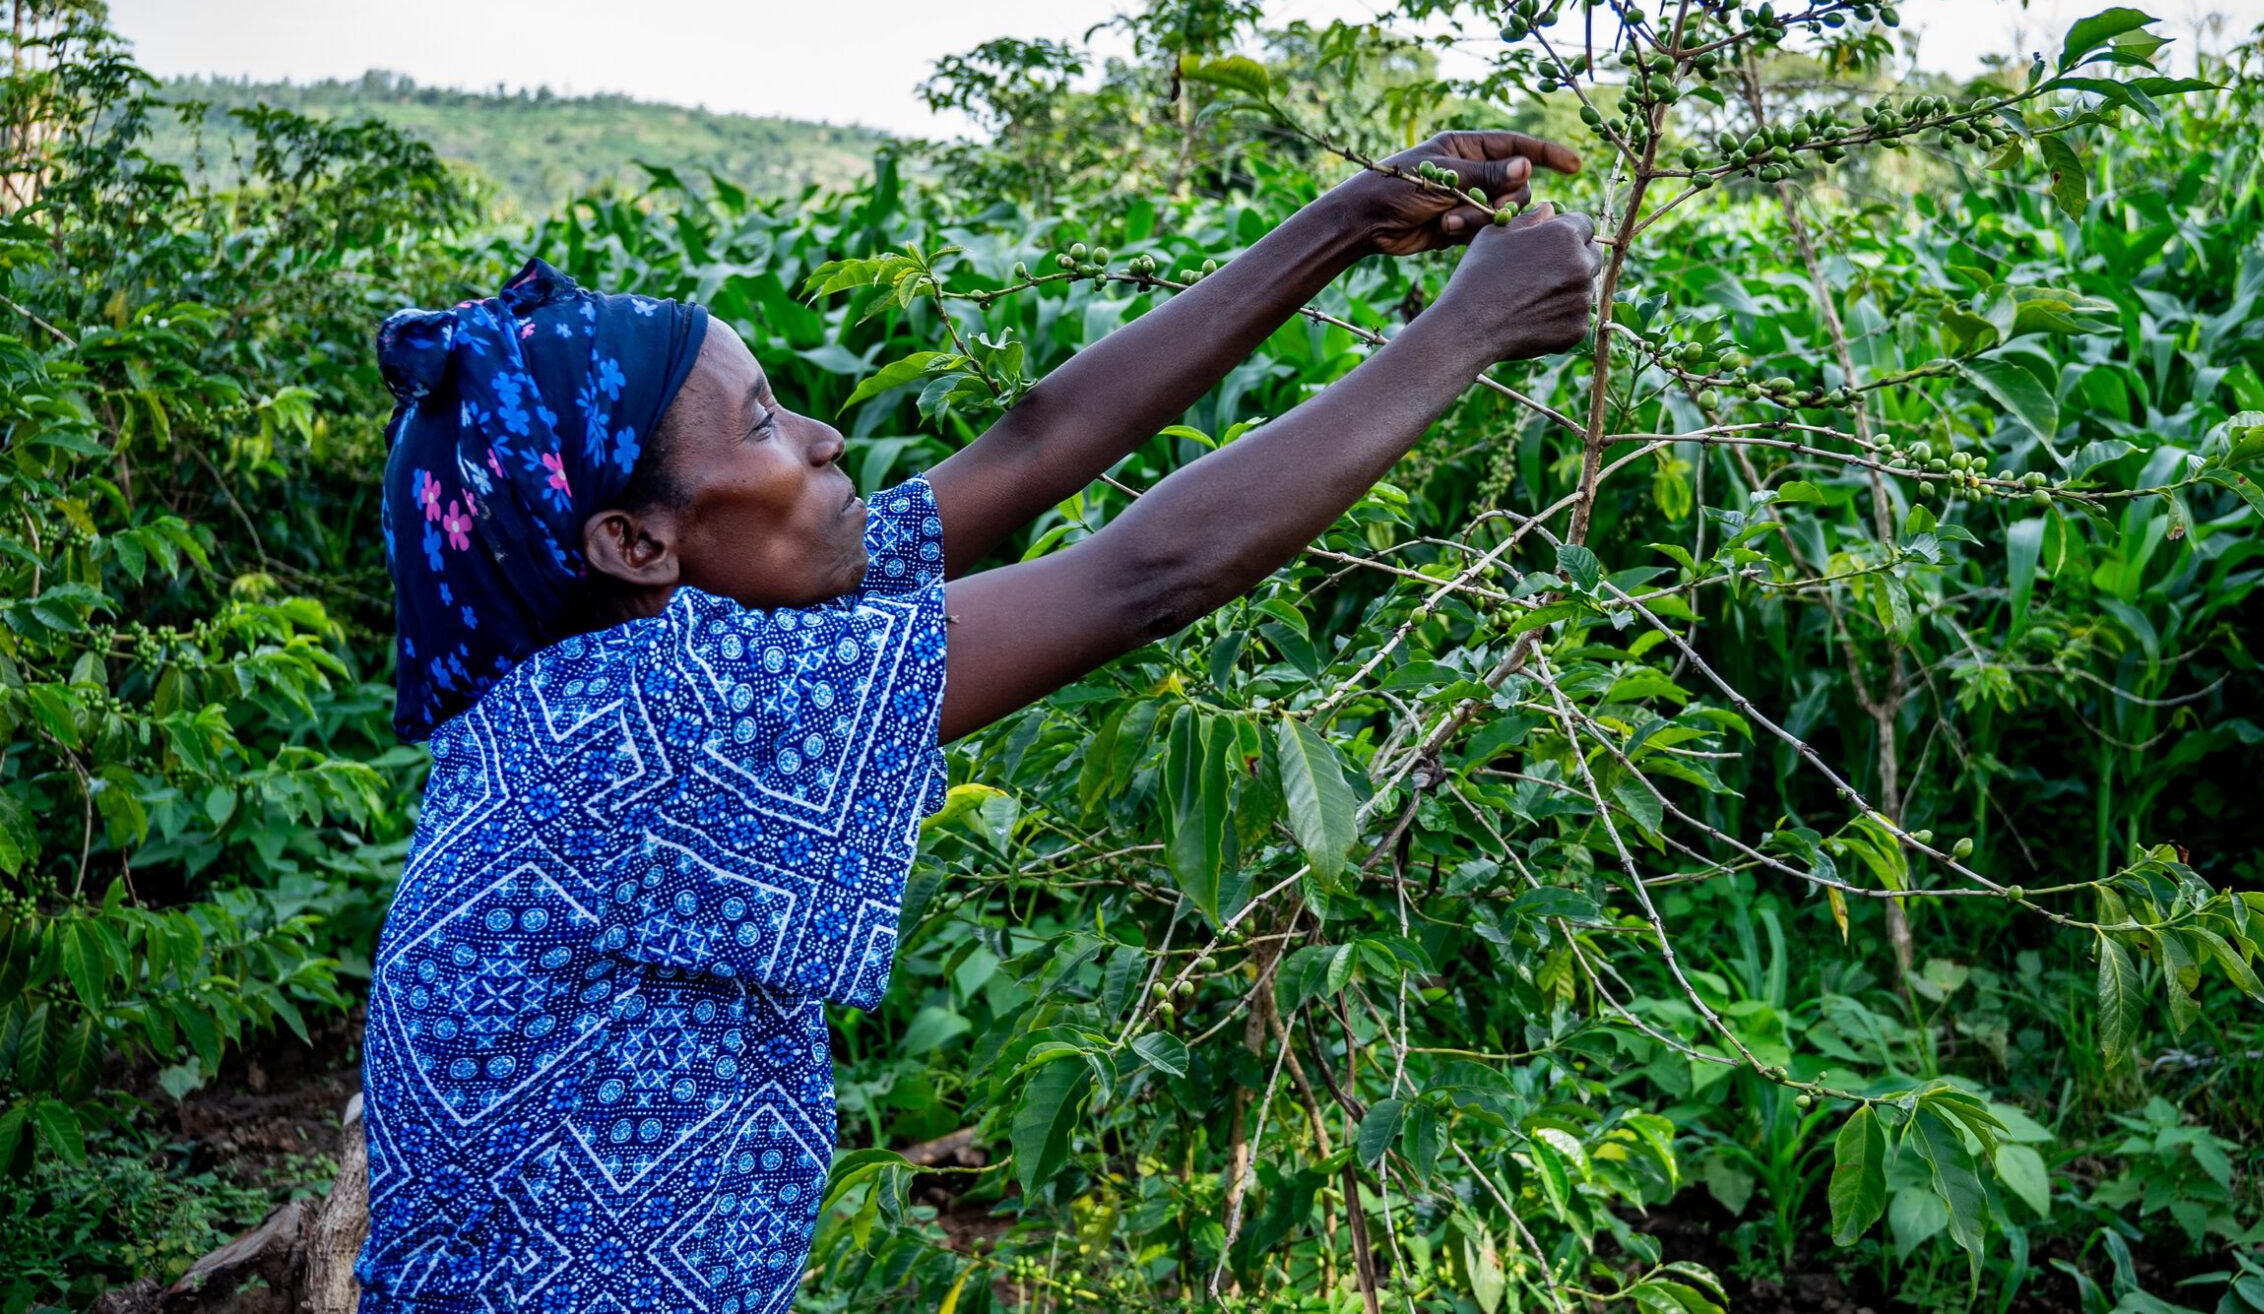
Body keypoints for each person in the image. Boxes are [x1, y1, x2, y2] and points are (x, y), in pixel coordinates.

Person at [352, 132, 1597, 1312]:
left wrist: (1355, 215)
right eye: (766, 424)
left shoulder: (601, 670)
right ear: (633, 540)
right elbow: (1142, 576)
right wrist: (1468, 329)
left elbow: (1035, 442)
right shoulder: (649, 719)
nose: (827, 436)